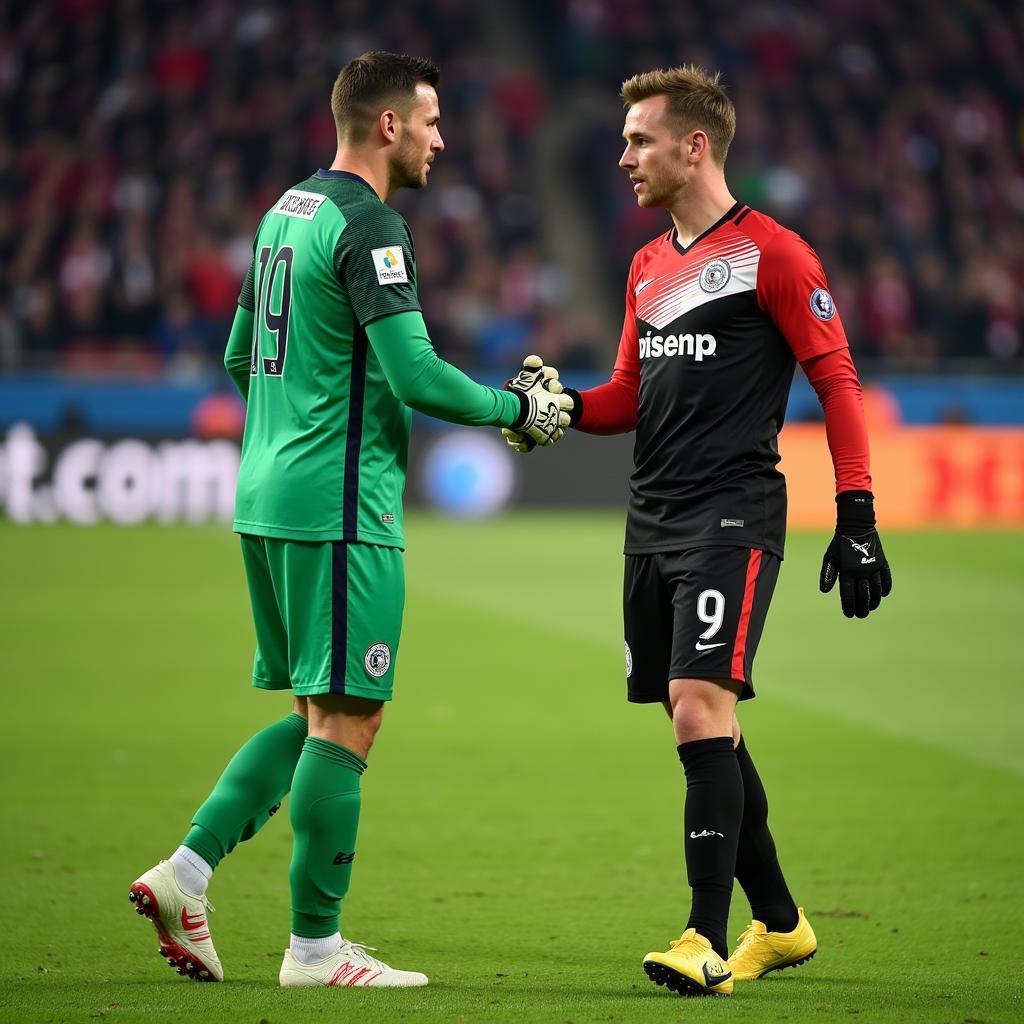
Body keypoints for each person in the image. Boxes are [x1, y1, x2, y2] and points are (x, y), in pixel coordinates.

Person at [128, 51, 571, 990]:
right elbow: (414, 375)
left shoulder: (285, 212)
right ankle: (316, 952)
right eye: (432, 121)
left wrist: (292, 429)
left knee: (316, 714)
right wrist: (514, 411)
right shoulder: (372, 225)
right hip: (338, 507)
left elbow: (243, 355)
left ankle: (186, 875)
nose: (443, 139)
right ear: (386, 126)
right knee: (353, 720)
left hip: (268, 493)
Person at [504, 65, 892, 997]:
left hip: (734, 511)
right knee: (703, 729)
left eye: (640, 139)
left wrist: (859, 512)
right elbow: (629, 398)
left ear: (695, 146)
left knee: (696, 706)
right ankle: (786, 924)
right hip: (653, 521)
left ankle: (702, 938)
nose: (625, 156)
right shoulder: (645, 265)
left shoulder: (776, 254)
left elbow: (837, 381)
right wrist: (558, 406)